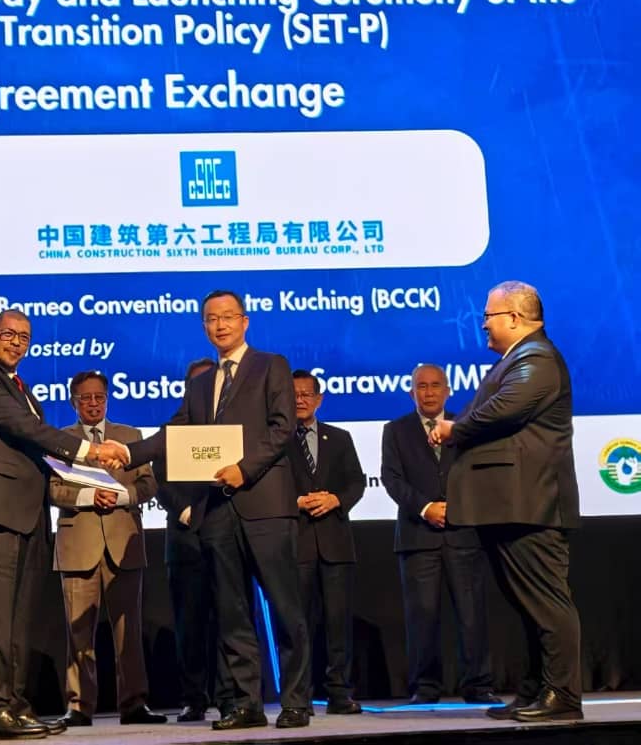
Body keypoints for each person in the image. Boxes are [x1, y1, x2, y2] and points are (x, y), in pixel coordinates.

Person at [119, 290, 312, 730]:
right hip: (218, 511)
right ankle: (245, 704)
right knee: (232, 612)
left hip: (266, 506)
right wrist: (128, 453)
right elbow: (174, 434)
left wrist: (244, 469)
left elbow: (282, 427)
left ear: (244, 321)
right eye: (211, 318)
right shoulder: (201, 384)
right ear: (204, 326)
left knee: (285, 608)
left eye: (227, 317)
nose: (220, 325)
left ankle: (296, 701)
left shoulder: (271, 365)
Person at [0, 309, 128, 741]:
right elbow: (24, 428)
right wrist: (89, 452)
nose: (16, 343)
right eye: (8, 334)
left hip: (29, 512)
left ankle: (15, 705)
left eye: (24, 337)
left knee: (20, 618)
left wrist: (89, 475)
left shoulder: (21, 387)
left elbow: (38, 446)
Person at [431, 281, 582, 722]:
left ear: (514, 318)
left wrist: (455, 429)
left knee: (547, 603)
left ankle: (563, 695)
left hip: (531, 504)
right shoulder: (518, 359)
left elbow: (506, 408)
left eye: (488, 316)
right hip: (510, 505)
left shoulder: (537, 358)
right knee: (528, 605)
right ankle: (537, 691)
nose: (483, 324)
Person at [50, 371, 166, 728]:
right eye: (85, 398)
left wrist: (122, 496)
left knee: (128, 631)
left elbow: (149, 485)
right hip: (77, 546)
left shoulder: (130, 437)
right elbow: (53, 489)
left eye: (99, 397)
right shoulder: (60, 439)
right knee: (78, 634)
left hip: (123, 543)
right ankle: (79, 706)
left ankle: (134, 704)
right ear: (73, 402)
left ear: (107, 399)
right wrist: (89, 496)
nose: (93, 404)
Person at [380, 363, 497, 706]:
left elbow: (480, 475)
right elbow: (392, 479)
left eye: (435, 385)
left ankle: (478, 685)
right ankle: (425, 687)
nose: (429, 392)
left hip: (464, 533)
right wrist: (426, 507)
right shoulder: (395, 430)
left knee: (472, 614)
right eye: (421, 386)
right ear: (411, 392)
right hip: (418, 536)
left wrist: (455, 508)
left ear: (448, 390)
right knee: (422, 616)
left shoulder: (467, 426)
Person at [156, 359, 233, 723]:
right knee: (189, 625)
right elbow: (159, 478)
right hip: (185, 539)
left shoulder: (231, 429)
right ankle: (193, 698)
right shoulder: (173, 429)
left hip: (226, 537)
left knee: (230, 621)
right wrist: (186, 511)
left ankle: (230, 697)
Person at [288, 369, 365, 715]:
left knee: (338, 624)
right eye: (294, 395)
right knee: (298, 625)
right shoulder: (276, 442)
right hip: (297, 544)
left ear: (318, 399)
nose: (300, 400)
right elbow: (271, 488)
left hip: (336, 543)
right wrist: (297, 502)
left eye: (306, 394)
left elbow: (357, 483)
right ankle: (299, 697)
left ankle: (339, 693)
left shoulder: (340, 437)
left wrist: (336, 499)